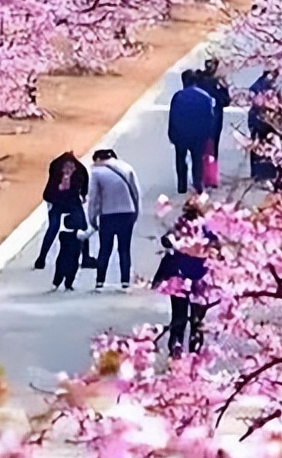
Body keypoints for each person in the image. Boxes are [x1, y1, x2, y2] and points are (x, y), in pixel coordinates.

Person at [153, 198, 218, 357]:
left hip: (179, 276)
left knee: (178, 314)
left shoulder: (180, 224)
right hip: (200, 276)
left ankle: (176, 343)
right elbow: (216, 246)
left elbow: (167, 240)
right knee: (197, 314)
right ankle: (195, 342)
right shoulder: (206, 227)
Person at [86, 148, 141, 291]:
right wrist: (135, 213)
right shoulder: (127, 168)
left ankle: (100, 281)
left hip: (108, 215)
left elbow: (94, 198)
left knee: (105, 248)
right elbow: (136, 193)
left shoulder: (97, 173)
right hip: (127, 212)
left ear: (98, 159)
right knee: (124, 248)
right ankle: (125, 281)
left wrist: (92, 218)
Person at [35, 152, 93, 270]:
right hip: (60, 200)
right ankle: (42, 258)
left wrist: (82, 195)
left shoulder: (76, 170)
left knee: (74, 227)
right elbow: (49, 193)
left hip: (66, 200)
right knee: (56, 228)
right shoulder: (62, 170)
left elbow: (85, 184)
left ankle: (42, 258)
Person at [168, 70, 215, 195]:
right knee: (197, 160)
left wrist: (172, 133)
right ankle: (197, 184)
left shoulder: (178, 96)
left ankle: (182, 185)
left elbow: (173, 116)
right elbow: (210, 118)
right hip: (199, 134)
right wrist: (209, 135)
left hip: (181, 133)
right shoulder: (205, 96)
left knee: (180, 159)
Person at [248, 68, 281, 186]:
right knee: (259, 147)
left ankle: (268, 173)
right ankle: (260, 174)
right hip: (260, 119)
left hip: (267, 120)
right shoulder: (261, 85)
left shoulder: (271, 88)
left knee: (269, 147)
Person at [195, 57, 232, 162]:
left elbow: (226, 101)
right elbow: (226, 101)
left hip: (207, 120)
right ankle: (207, 172)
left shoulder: (200, 81)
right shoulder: (211, 82)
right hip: (211, 120)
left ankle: (202, 173)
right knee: (210, 149)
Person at [51, 203, 91, 291]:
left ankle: (57, 283)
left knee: (61, 264)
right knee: (72, 265)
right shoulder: (78, 232)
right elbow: (85, 234)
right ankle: (68, 284)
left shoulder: (63, 233)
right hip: (73, 256)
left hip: (62, 254)